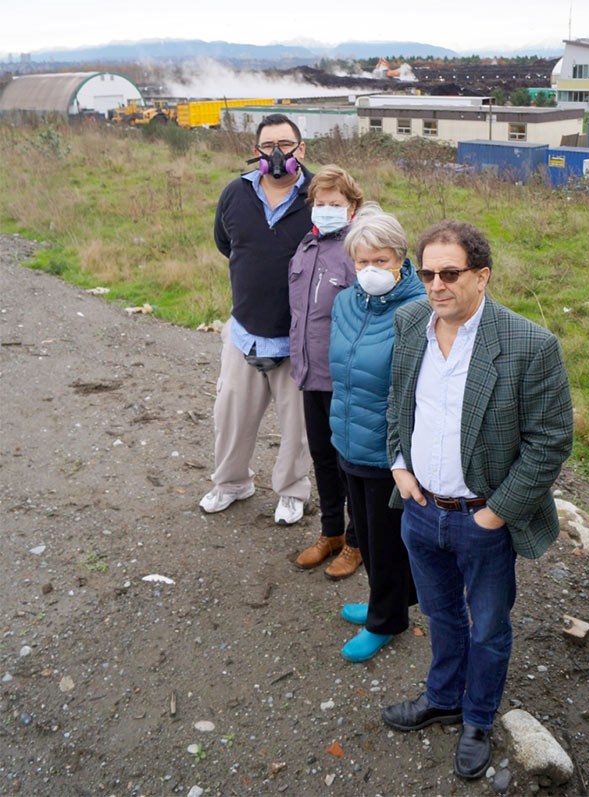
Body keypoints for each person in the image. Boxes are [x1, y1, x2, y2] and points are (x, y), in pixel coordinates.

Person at [382, 220, 574, 780]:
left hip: (481, 520)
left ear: (482, 275)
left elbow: (550, 440)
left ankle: (478, 718)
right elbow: (398, 400)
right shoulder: (411, 320)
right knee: (441, 614)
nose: (436, 285)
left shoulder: (529, 345)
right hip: (420, 511)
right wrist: (398, 465)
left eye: (450, 273)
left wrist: (496, 512)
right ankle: (443, 697)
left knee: (488, 626)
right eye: (426, 273)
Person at [199, 114, 313, 525]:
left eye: (286, 143)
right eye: (269, 145)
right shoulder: (234, 194)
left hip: (298, 338)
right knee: (230, 416)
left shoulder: (320, 196)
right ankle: (231, 483)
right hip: (244, 332)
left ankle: (292, 491)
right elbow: (226, 244)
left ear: (302, 149)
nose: (278, 153)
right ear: (256, 152)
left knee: (297, 427)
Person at [328, 210, 425, 662]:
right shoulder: (348, 302)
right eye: (362, 261)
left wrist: (403, 451)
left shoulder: (419, 309)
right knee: (365, 536)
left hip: (388, 450)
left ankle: (386, 620)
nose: (371, 271)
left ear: (401, 260)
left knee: (385, 542)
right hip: (347, 438)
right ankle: (383, 602)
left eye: (381, 260)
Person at [288, 165, 366, 579]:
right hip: (309, 375)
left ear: (352, 208)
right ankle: (331, 532)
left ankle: (356, 542)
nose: (326, 210)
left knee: (347, 462)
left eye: (335, 204)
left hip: (344, 380)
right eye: (320, 204)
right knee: (321, 457)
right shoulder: (305, 247)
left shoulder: (358, 253)